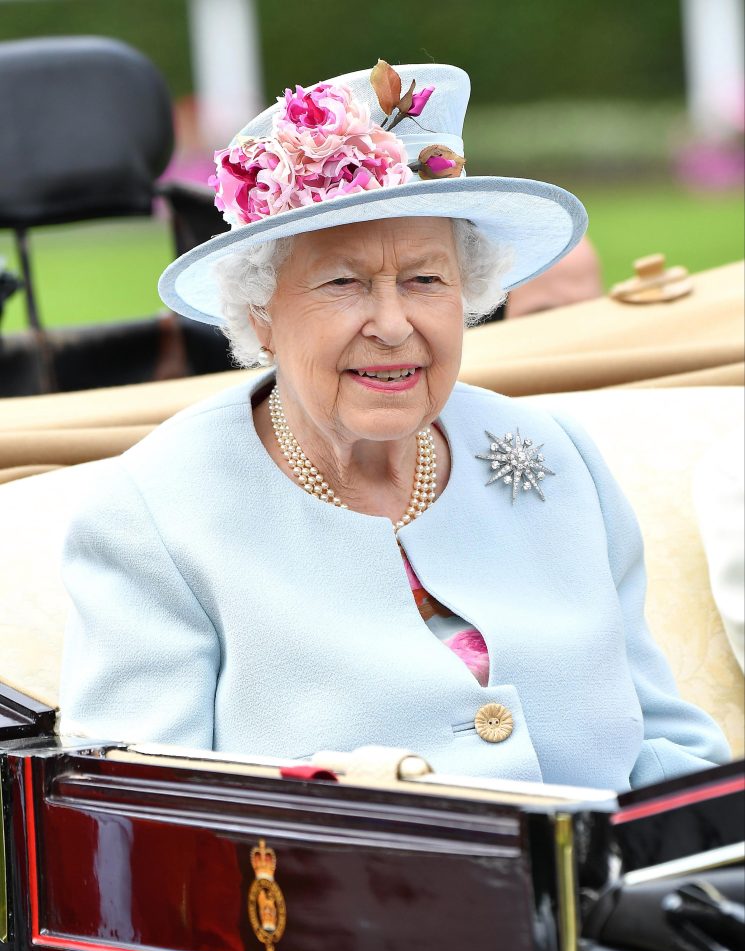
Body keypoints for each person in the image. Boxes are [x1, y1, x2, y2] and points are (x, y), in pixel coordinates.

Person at [59, 62, 729, 792]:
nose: (391, 323)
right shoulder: (151, 515)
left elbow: (662, 745)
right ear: (259, 313)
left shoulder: (556, 455)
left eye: (425, 279)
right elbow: (143, 817)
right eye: (343, 282)